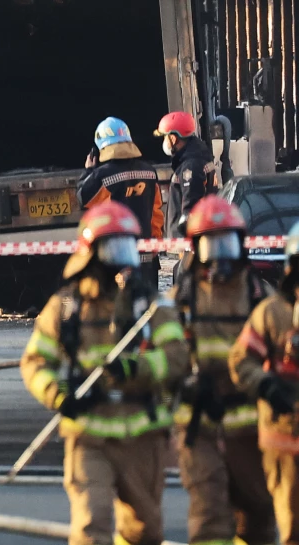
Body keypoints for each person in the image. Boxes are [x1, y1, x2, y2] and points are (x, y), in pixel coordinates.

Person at [21, 202, 190, 545]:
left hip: (143, 436)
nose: (123, 259)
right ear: (91, 253)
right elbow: (35, 362)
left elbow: (177, 359)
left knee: (145, 532)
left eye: (127, 246)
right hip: (89, 437)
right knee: (92, 525)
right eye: (114, 248)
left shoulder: (150, 306)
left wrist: (136, 369)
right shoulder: (66, 308)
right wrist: (58, 395)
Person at [172, 196, 275, 545]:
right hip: (199, 424)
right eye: (210, 244)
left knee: (259, 515)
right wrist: (185, 384)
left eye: (227, 243)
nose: (220, 255)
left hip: (250, 426)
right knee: (210, 514)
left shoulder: (260, 297)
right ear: (195, 248)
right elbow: (164, 357)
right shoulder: (181, 301)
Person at [231, 220, 299, 544]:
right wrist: (266, 386)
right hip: (285, 441)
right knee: (291, 530)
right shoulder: (273, 313)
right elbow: (242, 360)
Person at [78, 117, 165, 289]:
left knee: (121, 311)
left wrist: (89, 170)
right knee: (148, 309)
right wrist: (155, 243)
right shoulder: (149, 172)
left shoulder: (102, 176)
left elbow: (83, 198)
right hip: (146, 258)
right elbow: (156, 212)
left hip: (117, 259)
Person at [156, 111, 219, 238]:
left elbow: (190, 212)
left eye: (165, 137)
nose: (165, 141)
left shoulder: (190, 167)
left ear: (173, 138)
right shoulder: (199, 158)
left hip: (185, 245)